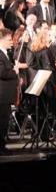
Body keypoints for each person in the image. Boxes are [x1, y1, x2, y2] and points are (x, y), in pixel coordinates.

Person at [0, 27, 18, 155]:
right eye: (8, 39)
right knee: (1, 122)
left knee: (4, 122)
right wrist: (14, 71)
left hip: (6, 94)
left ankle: (2, 146)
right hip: (2, 95)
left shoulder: (6, 54)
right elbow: (2, 73)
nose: (11, 41)